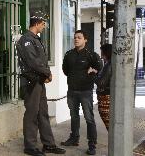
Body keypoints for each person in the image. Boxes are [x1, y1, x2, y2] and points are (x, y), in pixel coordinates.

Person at [16, 12, 66, 156]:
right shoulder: (26, 40)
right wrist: (47, 73)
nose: (44, 27)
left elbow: (41, 61)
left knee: (43, 113)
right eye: (43, 24)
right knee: (32, 114)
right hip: (31, 82)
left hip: (39, 81)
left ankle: (48, 144)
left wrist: (45, 74)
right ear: (37, 23)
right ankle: (30, 146)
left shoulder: (35, 39)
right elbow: (33, 61)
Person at [61, 30, 102, 155]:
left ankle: (92, 144)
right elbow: (65, 70)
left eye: (79, 37)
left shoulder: (91, 55)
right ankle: (74, 138)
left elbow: (99, 67)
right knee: (74, 116)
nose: (76, 39)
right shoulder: (69, 54)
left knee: (89, 118)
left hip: (86, 92)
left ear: (85, 40)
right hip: (72, 91)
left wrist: (92, 71)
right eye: (75, 37)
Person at [94, 44, 112, 131]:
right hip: (106, 96)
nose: (101, 55)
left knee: (109, 124)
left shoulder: (108, 65)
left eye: (102, 53)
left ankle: (114, 144)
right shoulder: (110, 64)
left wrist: (92, 74)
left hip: (105, 97)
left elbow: (101, 83)